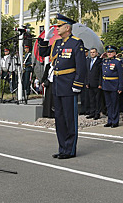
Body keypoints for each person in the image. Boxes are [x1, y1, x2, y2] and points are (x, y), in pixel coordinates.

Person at [38, 14, 86, 159]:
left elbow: (81, 66)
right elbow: (43, 53)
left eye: (59, 26)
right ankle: (62, 148)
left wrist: (78, 84)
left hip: (69, 85)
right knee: (59, 118)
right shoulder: (57, 43)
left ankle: (70, 150)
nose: (57, 28)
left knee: (69, 118)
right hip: (57, 85)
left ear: (67, 28)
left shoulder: (76, 43)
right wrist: (45, 40)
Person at [101, 45, 123, 128]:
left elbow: (121, 75)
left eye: (111, 52)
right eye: (108, 52)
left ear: (115, 53)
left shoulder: (117, 62)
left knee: (114, 104)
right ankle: (110, 120)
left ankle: (115, 121)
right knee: (108, 104)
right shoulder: (105, 61)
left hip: (114, 85)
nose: (109, 53)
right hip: (106, 85)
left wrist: (120, 87)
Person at [85, 47, 103, 120]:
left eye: (93, 52)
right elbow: (86, 72)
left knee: (97, 99)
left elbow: (101, 74)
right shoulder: (88, 61)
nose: (92, 54)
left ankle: (97, 113)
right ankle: (92, 112)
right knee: (91, 99)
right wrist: (86, 82)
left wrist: (100, 84)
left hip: (97, 83)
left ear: (97, 53)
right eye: (91, 52)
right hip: (89, 83)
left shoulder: (99, 61)